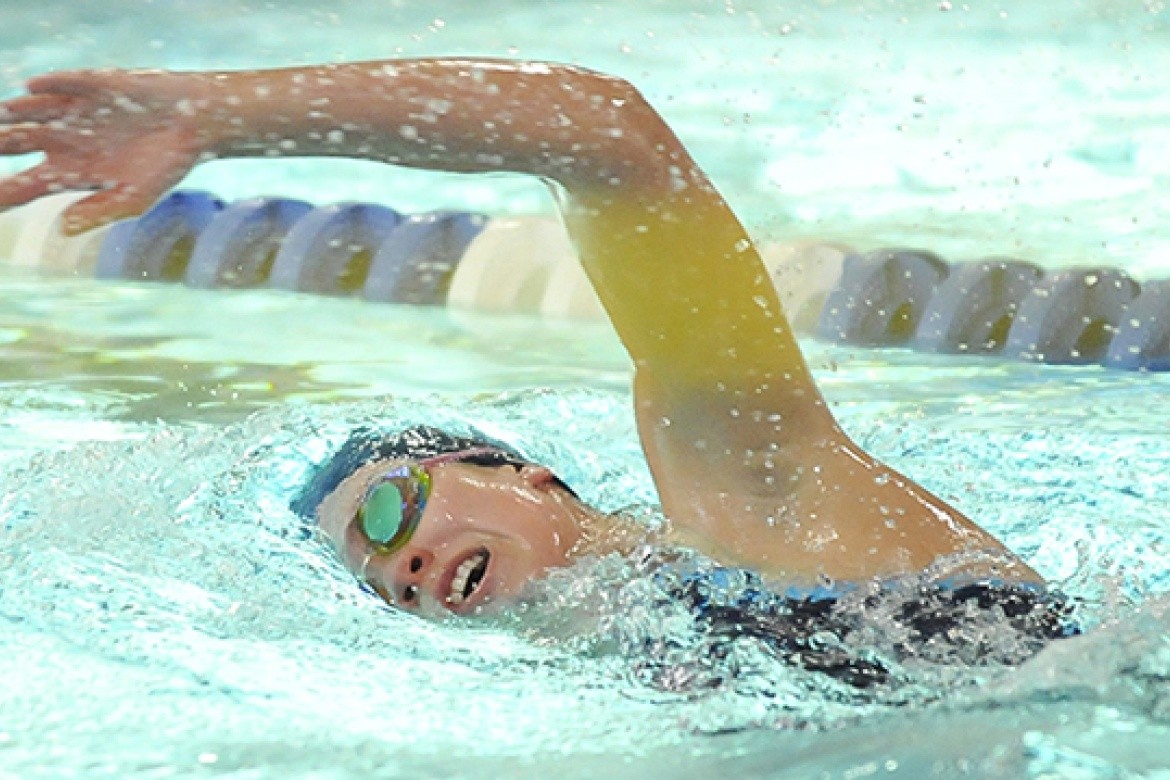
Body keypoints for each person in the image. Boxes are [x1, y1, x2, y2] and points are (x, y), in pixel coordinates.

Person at [0, 59, 1069, 682]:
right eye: (380, 588)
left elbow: (604, 130)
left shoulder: (752, 484)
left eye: (389, 516)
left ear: (525, 475)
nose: (400, 568)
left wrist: (222, 116)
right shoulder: (646, 668)